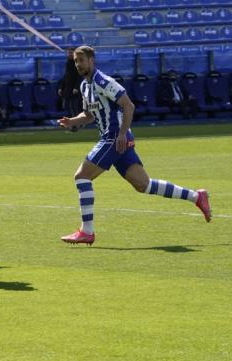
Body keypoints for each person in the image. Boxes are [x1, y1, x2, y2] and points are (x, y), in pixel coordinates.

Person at [57, 45, 211, 245]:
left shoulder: (104, 81)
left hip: (113, 138)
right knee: (143, 185)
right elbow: (88, 115)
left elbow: (129, 105)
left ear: (91, 60)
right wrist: (72, 121)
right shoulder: (86, 86)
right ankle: (196, 196)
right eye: (76, 61)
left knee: (81, 177)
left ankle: (87, 231)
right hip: (115, 138)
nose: (78, 65)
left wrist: (122, 134)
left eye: (82, 61)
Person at [58, 48, 82, 128]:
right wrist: (61, 87)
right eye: (69, 53)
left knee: (74, 107)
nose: (69, 54)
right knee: (69, 107)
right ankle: (74, 123)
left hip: (74, 90)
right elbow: (66, 76)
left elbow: (80, 76)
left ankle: (77, 124)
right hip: (68, 89)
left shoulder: (77, 63)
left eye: (71, 52)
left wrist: (76, 87)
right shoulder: (68, 63)